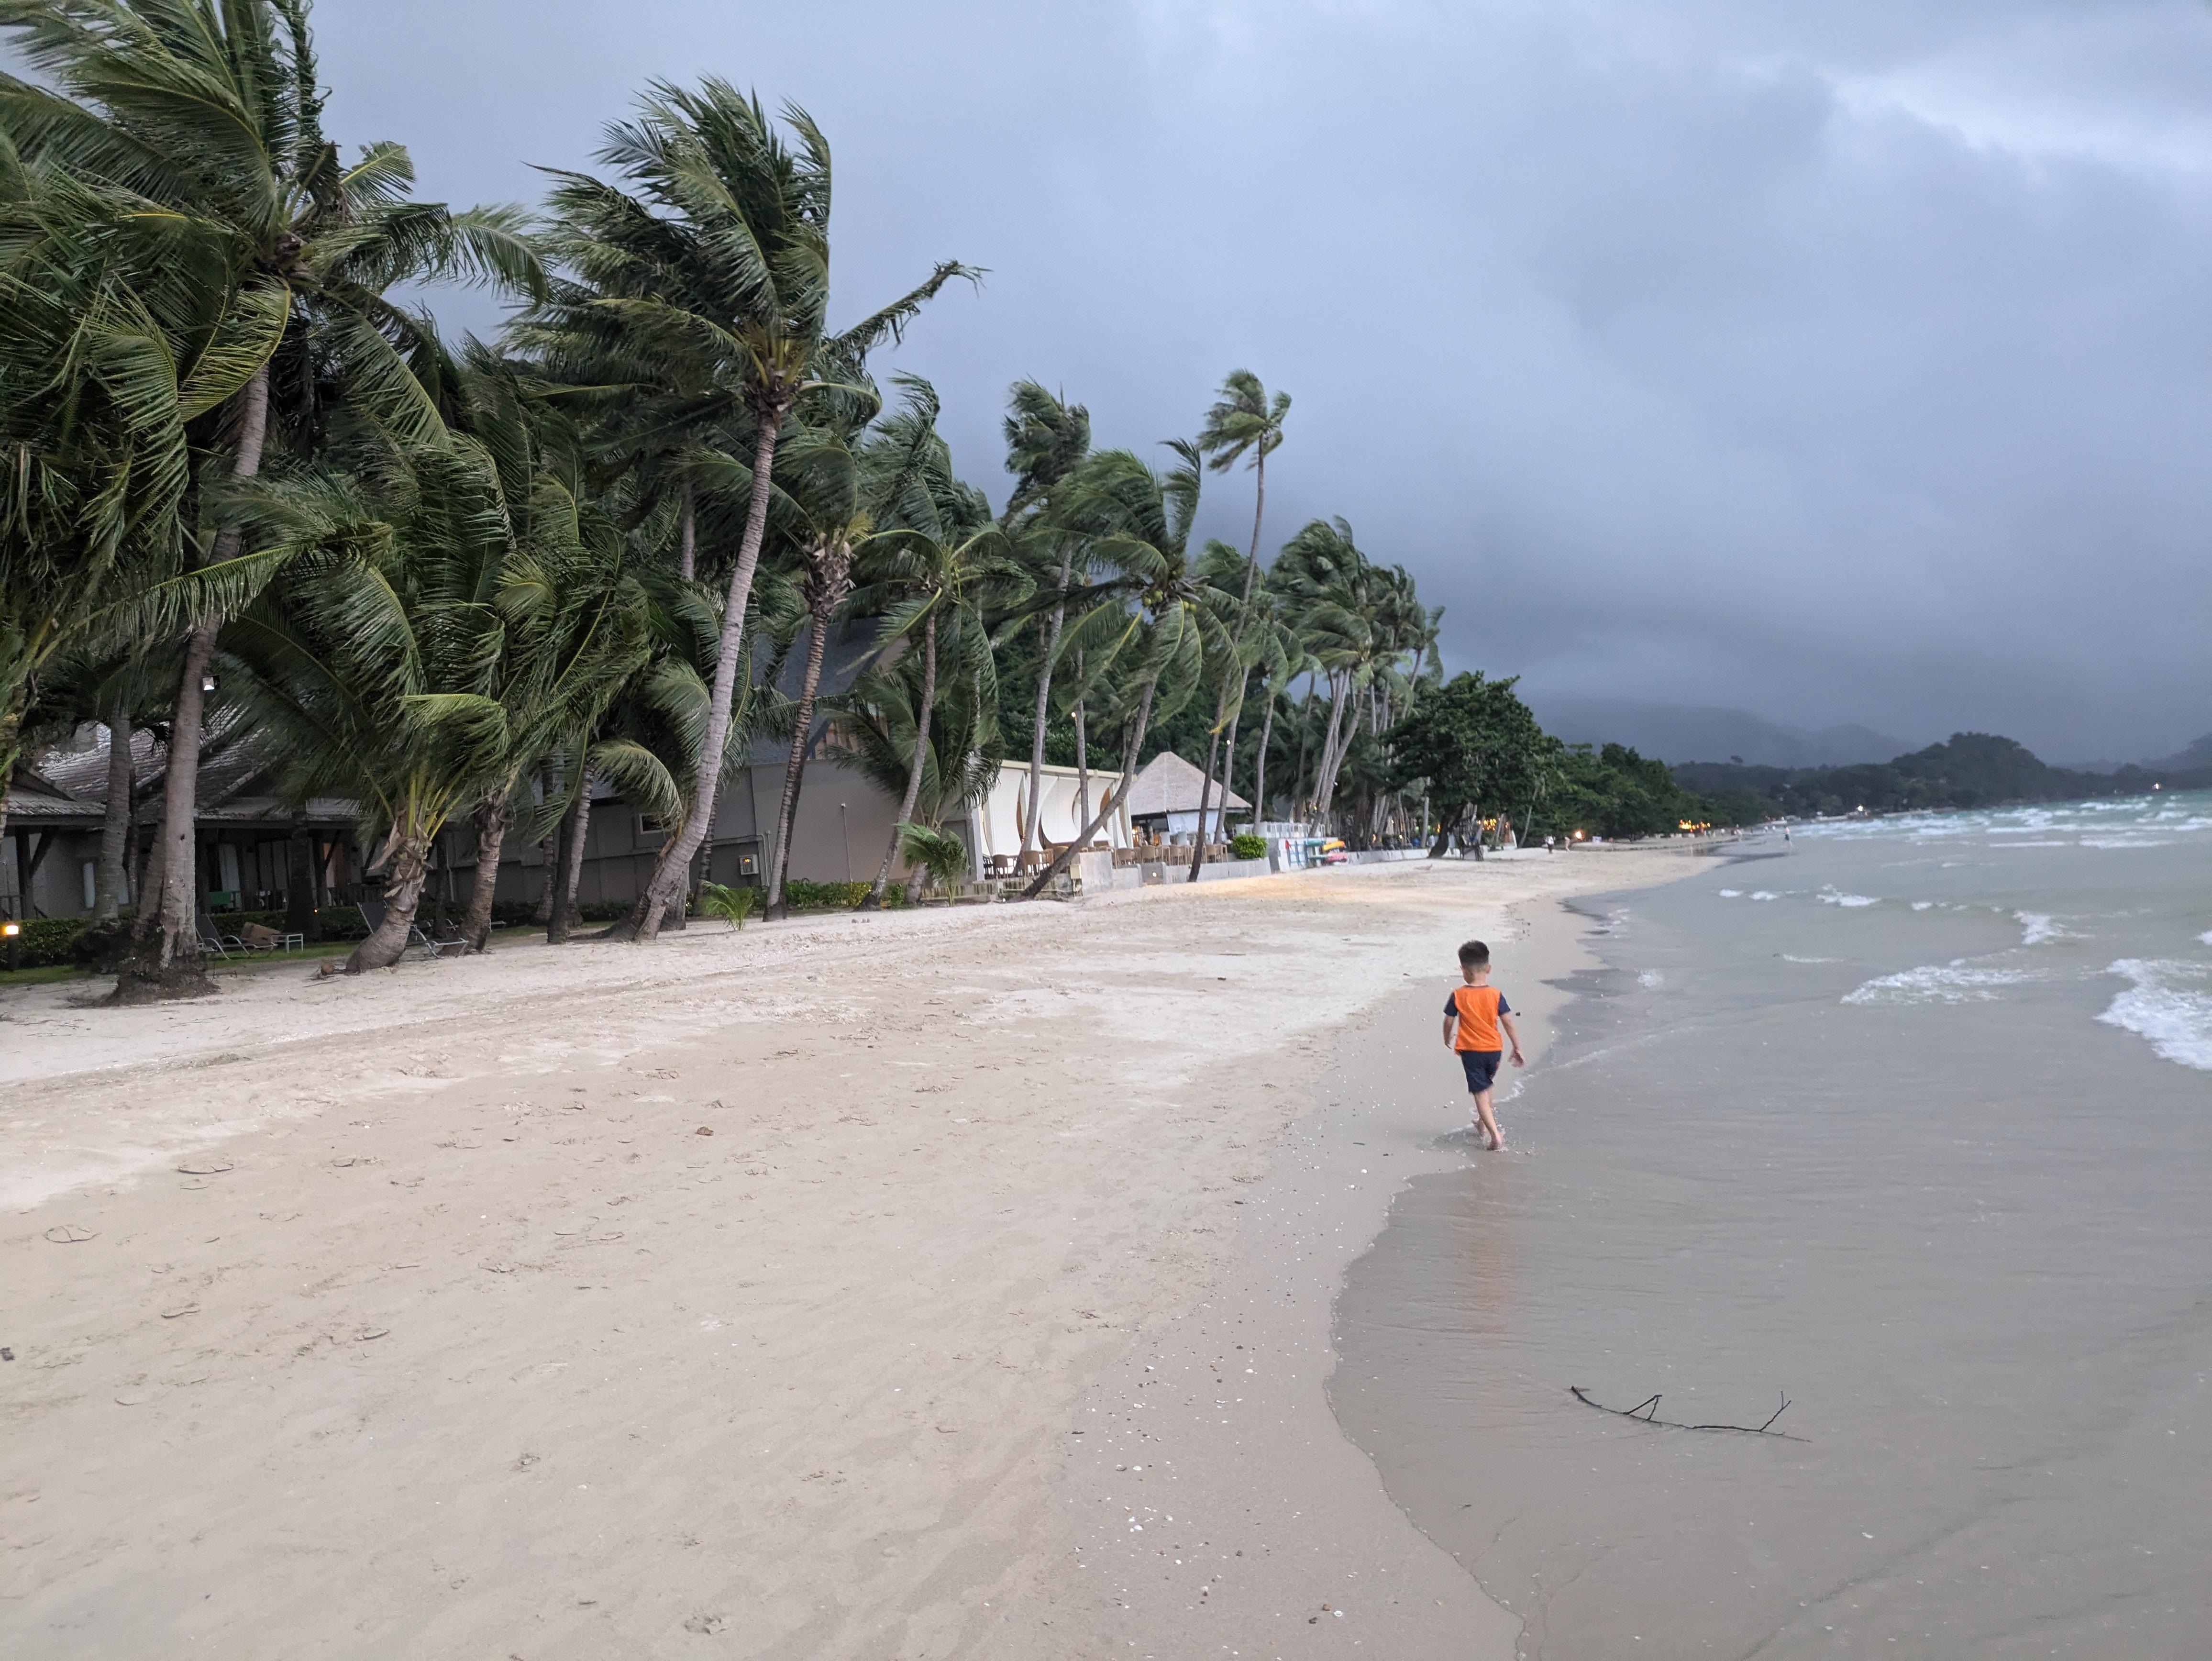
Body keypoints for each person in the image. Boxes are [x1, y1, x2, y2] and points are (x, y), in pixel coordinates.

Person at [1443, 938, 1524, 1151]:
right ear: (1488, 969)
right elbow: (1508, 1021)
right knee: (1486, 1085)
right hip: (1494, 1050)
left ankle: (1495, 1136)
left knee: (1480, 1092)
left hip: (1472, 1051)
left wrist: (1447, 1037)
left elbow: (1449, 1021)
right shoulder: (1495, 994)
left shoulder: (1458, 995)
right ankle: (1482, 1123)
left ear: (1463, 970)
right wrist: (1517, 1047)